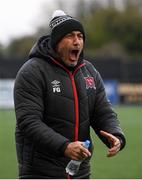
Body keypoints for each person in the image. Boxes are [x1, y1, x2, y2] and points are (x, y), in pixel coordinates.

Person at [14, 10, 126, 179]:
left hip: (80, 171)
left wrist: (116, 135)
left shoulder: (89, 72)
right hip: (41, 172)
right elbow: (29, 122)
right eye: (70, 36)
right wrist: (65, 146)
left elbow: (102, 112)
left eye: (80, 36)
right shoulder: (32, 71)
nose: (77, 42)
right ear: (56, 42)